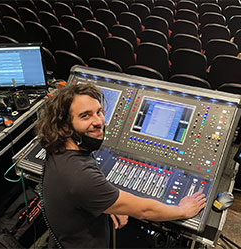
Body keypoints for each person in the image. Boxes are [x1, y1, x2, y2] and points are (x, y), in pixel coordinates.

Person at [36, 83, 206, 248]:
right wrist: (182, 210)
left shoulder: (58, 148)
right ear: (65, 126)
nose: (98, 121)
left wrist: (107, 204)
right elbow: (145, 211)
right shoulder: (81, 177)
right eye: (85, 116)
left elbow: (84, 194)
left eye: (99, 112)